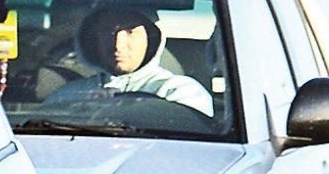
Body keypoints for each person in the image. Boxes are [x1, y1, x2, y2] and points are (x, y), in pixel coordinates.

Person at [45, 8, 213, 118]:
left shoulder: (180, 93)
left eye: (130, 31)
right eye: (108, 32)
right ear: (92, 39)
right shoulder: (68, 96)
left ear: (152, 38)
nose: (118, 45)